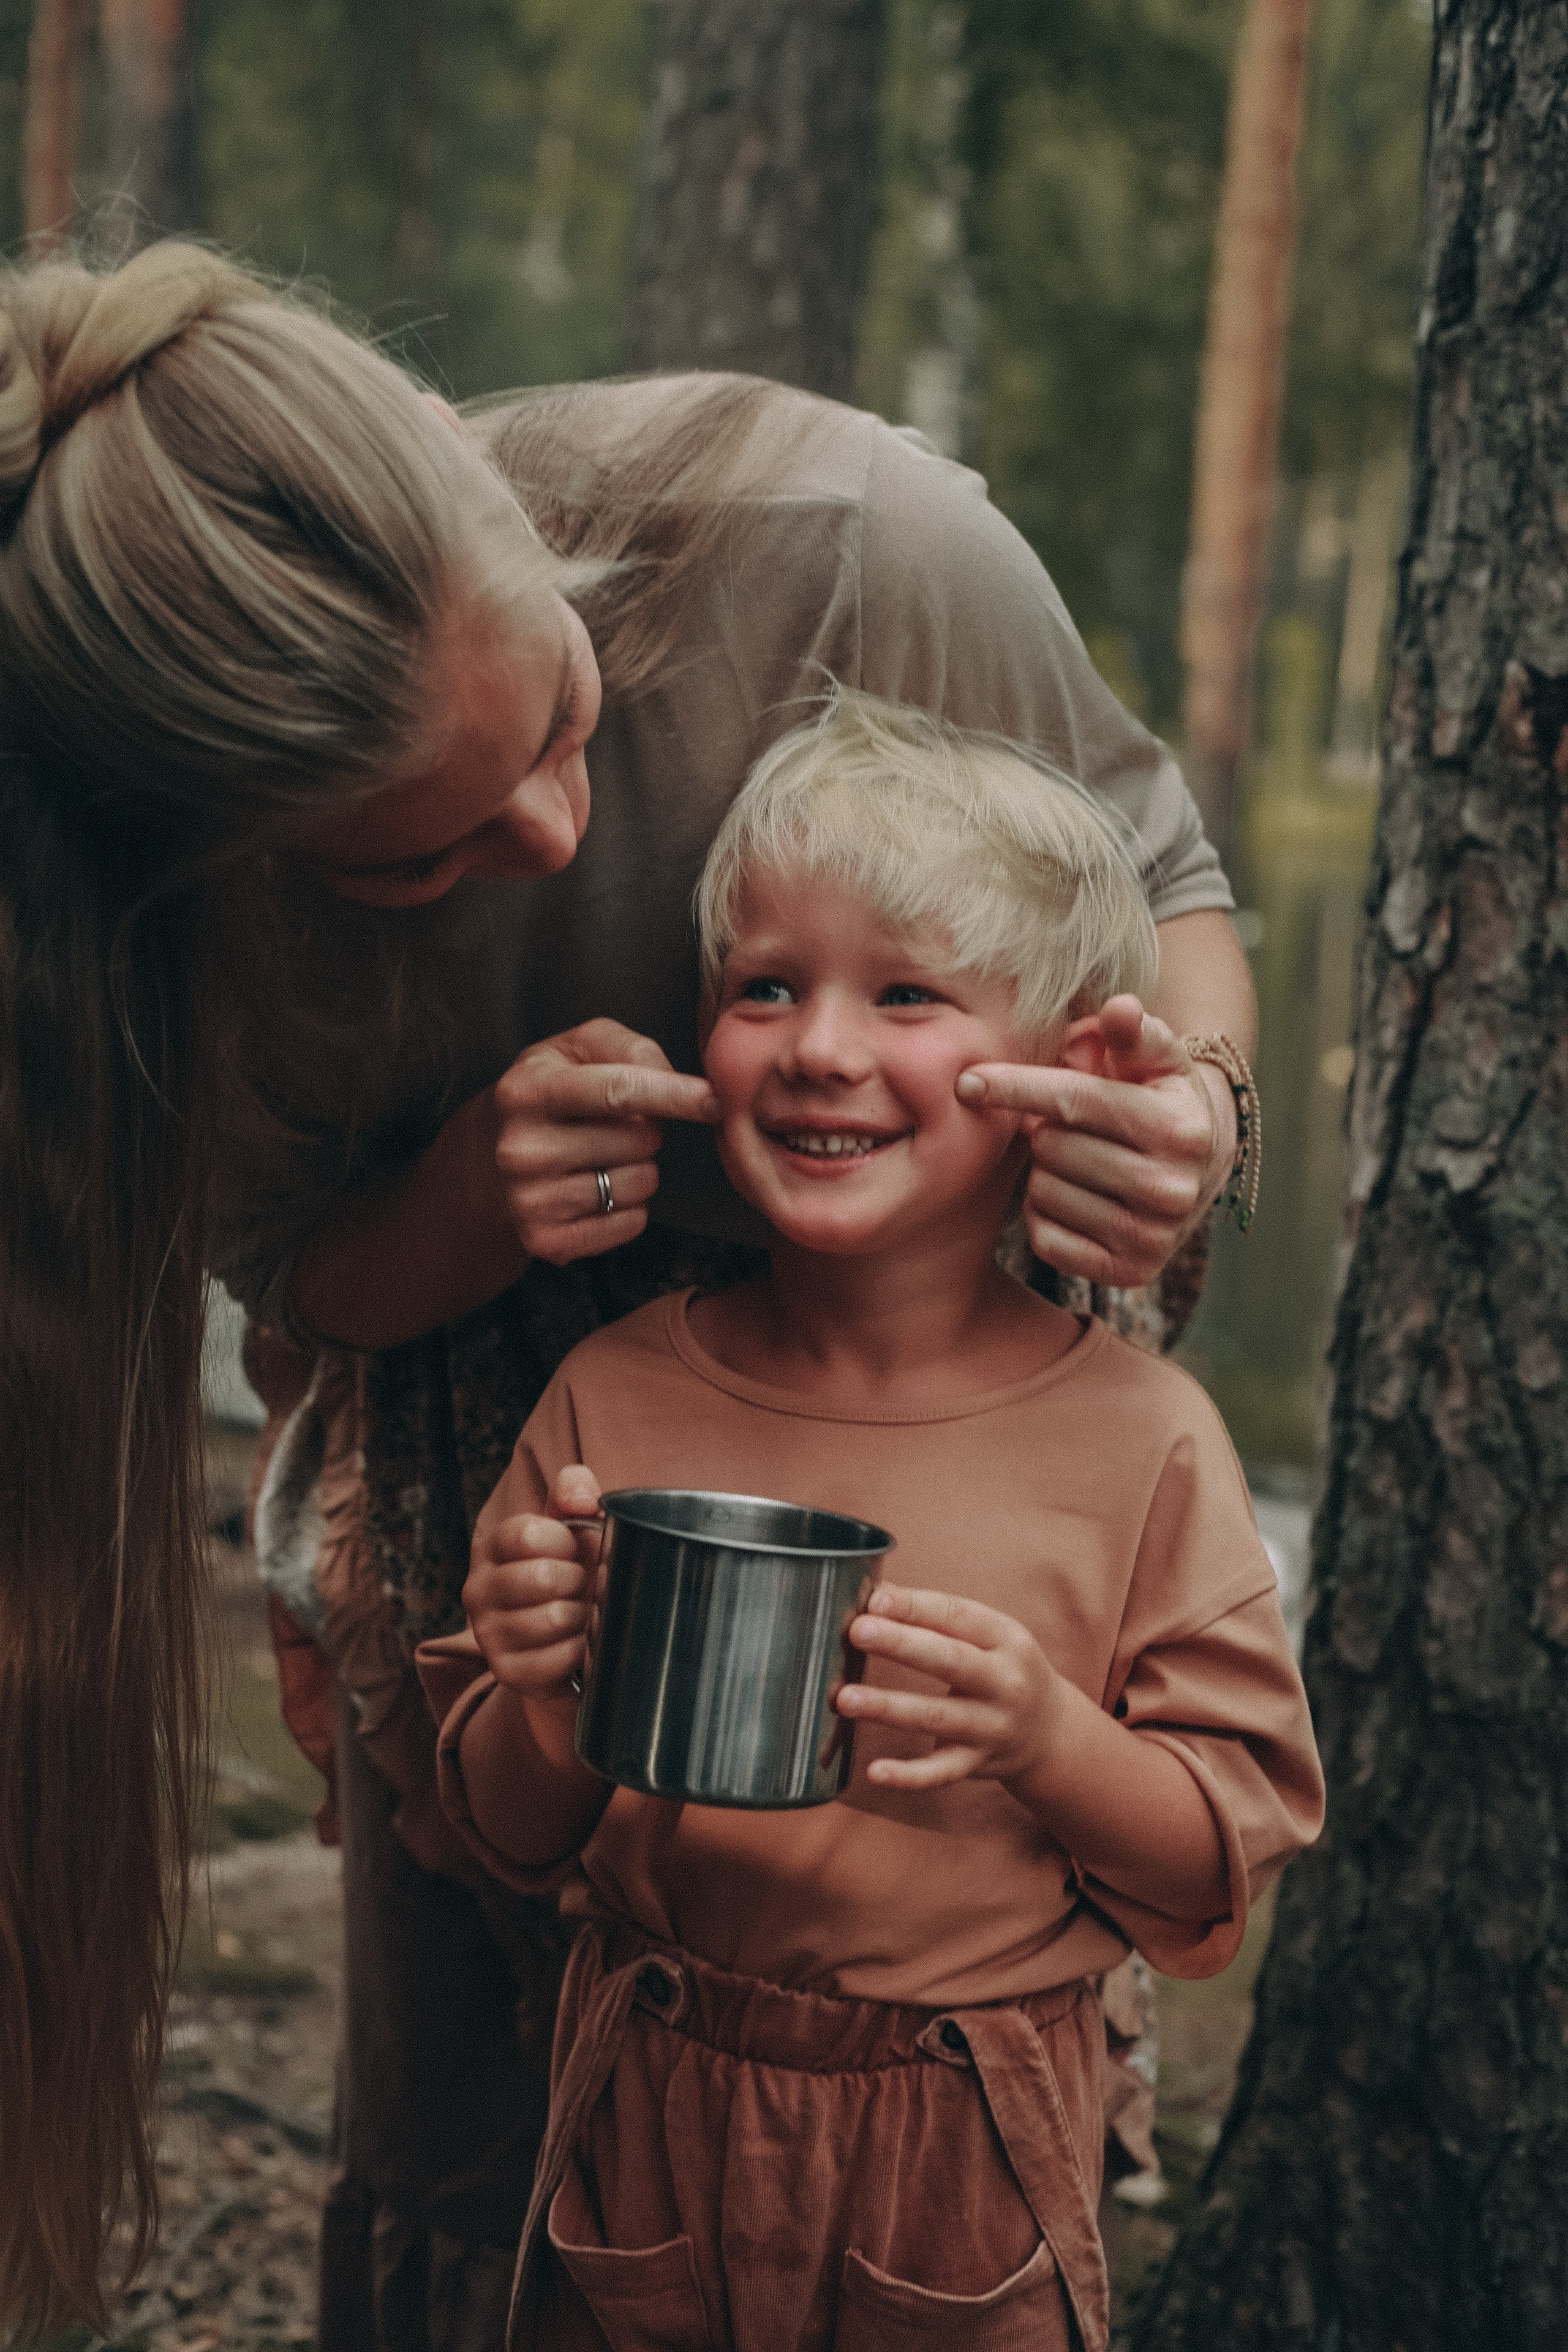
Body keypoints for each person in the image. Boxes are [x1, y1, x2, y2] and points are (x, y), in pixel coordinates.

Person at [0, 240, 1257, 2345]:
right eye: (414, 859)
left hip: (953, 1455)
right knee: (485, 2164)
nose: (563, 831)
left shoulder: (854, 545)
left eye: (567, 716)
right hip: (466, 1470)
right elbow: (285, 1276)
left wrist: (1198, 1112)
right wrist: (465, 1215)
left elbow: (1176, 889)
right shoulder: (121, 881)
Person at [418, 694, 1324, 2352]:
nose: (821, 1045)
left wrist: (1044, 1737)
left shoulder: (1144, 1443)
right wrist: (543, 1687)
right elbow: (505, 1824)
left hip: (967, 2137)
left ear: (1064, 1073)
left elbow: (1211, 1866)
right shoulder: (612, 1396)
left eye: (906, 994)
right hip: (646, 2102)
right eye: (766, 986)